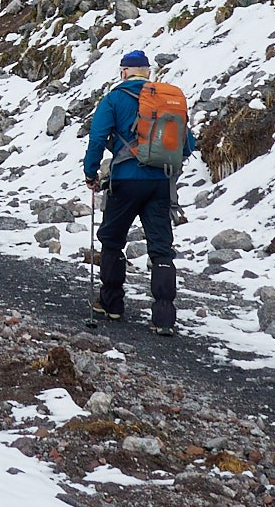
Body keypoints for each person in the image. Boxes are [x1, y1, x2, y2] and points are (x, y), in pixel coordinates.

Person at [84, 49, 196, 335]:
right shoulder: (166, 99)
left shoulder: (113, 99)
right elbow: (188, 144)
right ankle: (163, 318)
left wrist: (91, 172)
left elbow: (97, 137)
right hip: (160, 183)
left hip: (126, 180)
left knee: (112, 238)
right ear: (147, 72)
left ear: (123, 72)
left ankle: (112, 304)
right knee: (161, 247)